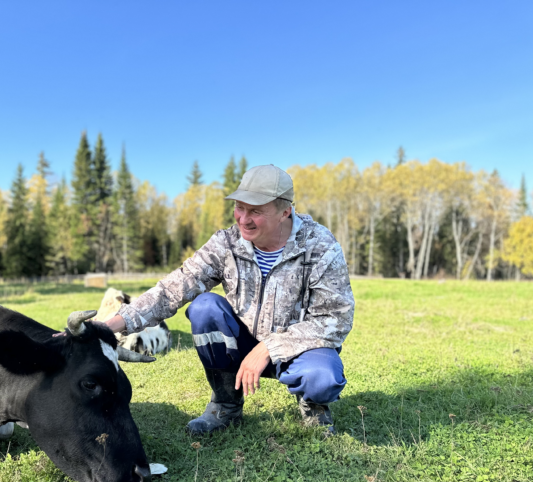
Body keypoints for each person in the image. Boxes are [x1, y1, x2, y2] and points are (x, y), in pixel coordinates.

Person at [105, 164, 354, 435]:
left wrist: (270, 347)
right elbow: (171, 290)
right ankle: (226, 404)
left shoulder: (320, 246)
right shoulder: (226, 244)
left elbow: (335, 318)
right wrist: (108, 327)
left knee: (323, 377)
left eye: (256, 211)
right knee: (204, 307)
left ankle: (313, 406)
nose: (243, 219)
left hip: (297, 350)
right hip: (242, 342)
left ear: (285, 211)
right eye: (239, 207)